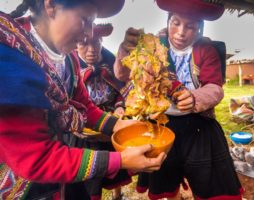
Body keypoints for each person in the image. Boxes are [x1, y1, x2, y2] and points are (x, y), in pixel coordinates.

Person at [0, 0, 166, 199]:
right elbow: (38, 159)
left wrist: (120, 125)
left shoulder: (68, 60)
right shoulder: (11, 58)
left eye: (92, 23)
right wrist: (119, 160)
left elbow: (85, 107)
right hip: (23, 184)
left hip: (60, 170)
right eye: (84, 20)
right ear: (51, 6)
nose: (88, 33)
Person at [114, 0, 243, 199]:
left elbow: (215, 88)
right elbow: (123, 75)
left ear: (199, 29)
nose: (181, 32)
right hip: (162, 125)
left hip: (199, 126)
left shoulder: (206, 50)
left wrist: (194, 98)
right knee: (165, 174)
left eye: (190, 26)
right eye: (175, 22)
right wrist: (125, 49)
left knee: (207, 180)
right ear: (168, 21)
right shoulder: (153, 46)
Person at [65, 24, 128, 199]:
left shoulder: (110, 62)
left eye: (97, 42)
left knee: (117, 164)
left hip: (110, 122)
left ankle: (118, 194)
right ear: (76, 43)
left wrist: (119, 107)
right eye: (84, 43)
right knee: (91, 175)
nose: (92, 49)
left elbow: (120, 92)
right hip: (82, 130)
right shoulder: (68, 65)